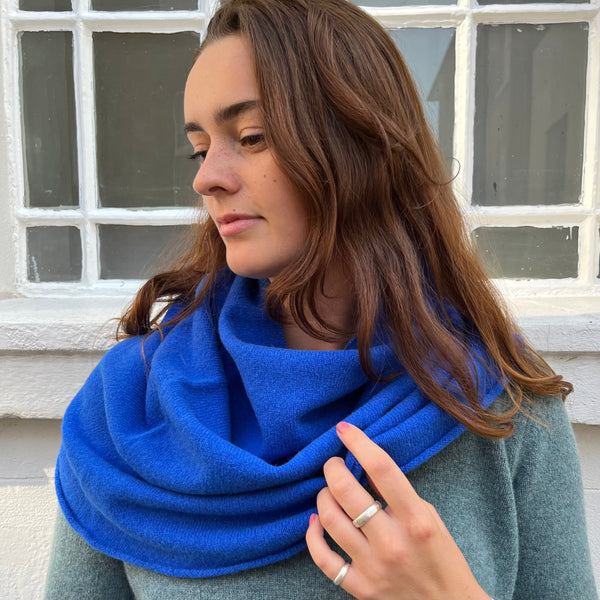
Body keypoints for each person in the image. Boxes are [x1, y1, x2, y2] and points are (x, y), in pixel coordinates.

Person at [45, 0, 597, 599]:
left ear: (362, 144)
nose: (206, 177)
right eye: (200, 149)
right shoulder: (130, 409)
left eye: (251, 137)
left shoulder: (500, 400)